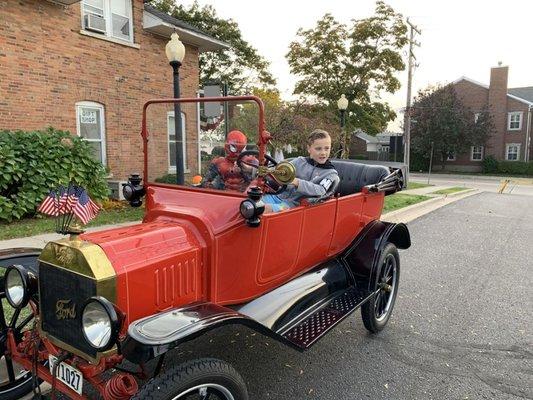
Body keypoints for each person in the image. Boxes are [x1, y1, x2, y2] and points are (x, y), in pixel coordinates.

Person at [263, 129, 339, 212]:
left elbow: (321, 190)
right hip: (278, 196)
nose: (323, 153)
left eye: (326, 148)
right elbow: (279, 170)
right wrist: (264, 171)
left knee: (263, 209)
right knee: (252, 202)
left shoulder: (330, 173)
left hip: (293, 205)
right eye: (318, 149)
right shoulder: (300, 161)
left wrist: (297, 182)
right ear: (309, 148)